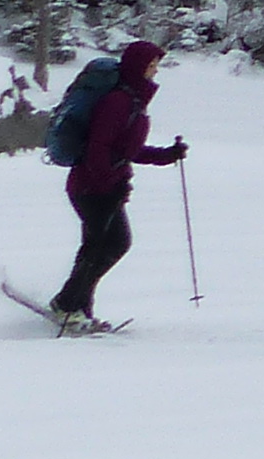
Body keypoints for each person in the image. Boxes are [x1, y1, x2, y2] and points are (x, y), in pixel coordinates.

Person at [51, 39, 188, 326]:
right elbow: (98, 147)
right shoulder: (119, 101)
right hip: (91, 187)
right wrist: (107, 182)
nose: (155, 72)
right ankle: (67, 305)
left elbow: (125, 148)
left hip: (103, 185)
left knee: (104, 245)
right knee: (104, 245)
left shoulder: (133, 100)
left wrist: (166, 155)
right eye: (151, 66)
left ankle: (77, 307)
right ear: (138, 67)